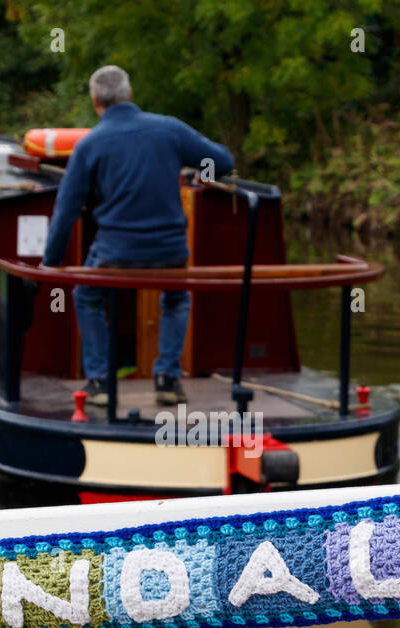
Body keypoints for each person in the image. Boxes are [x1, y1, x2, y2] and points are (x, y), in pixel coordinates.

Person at [41, 65, 234, 406]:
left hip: (115, 253)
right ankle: (167, 377)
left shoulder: (90, 146)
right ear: (130, 94)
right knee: (176, 297)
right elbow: (223, 161)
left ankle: (99, 381)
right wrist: (195, 171)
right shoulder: (169, 130)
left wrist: (50, 265)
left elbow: (66, 212)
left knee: (86, 296)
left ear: (95, 101)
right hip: (170, 249)